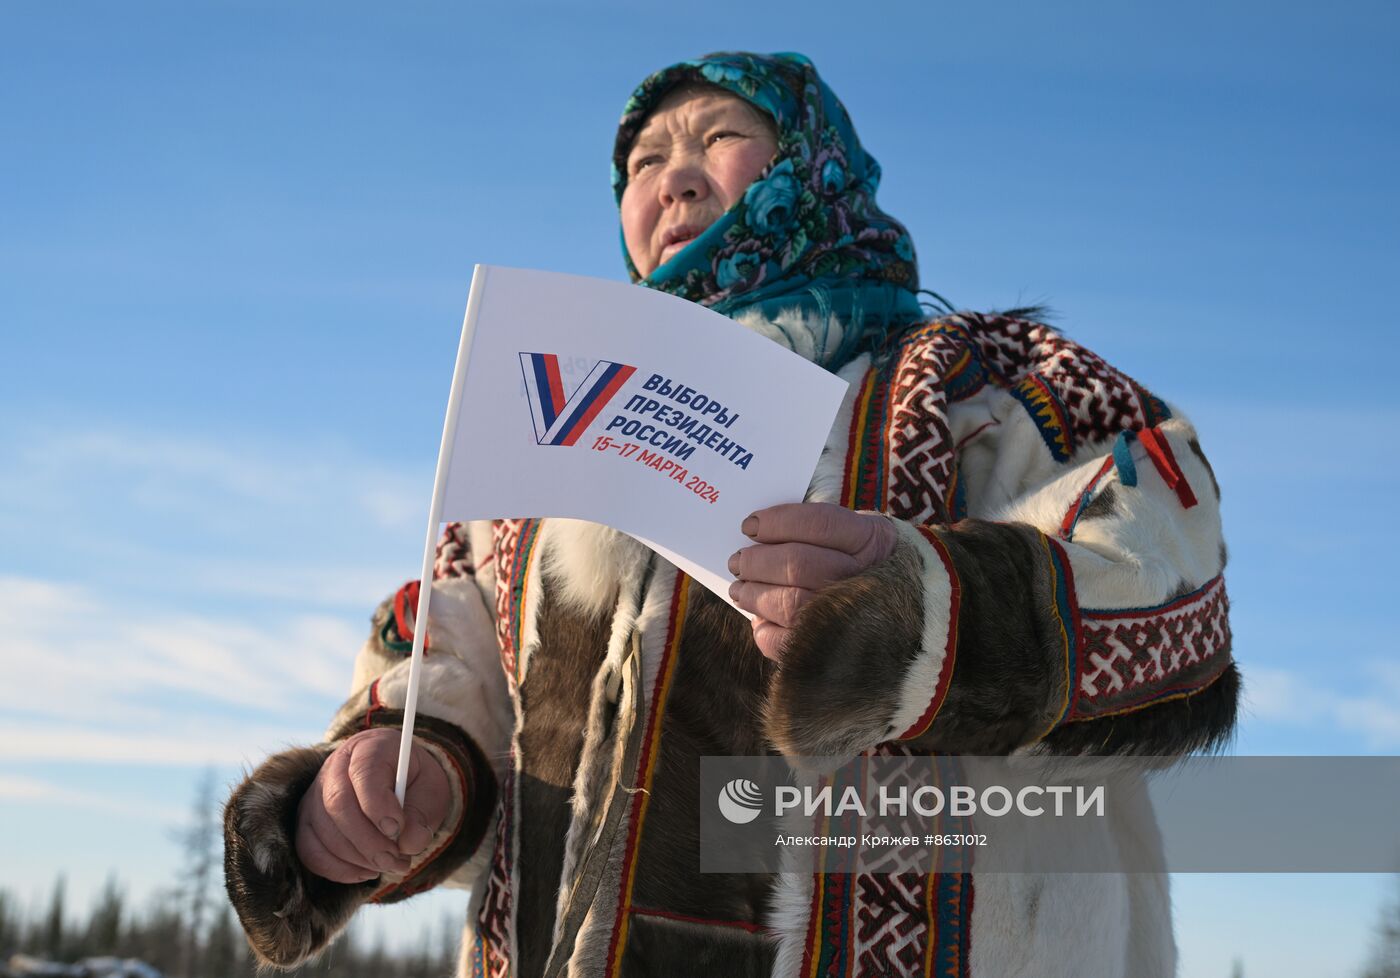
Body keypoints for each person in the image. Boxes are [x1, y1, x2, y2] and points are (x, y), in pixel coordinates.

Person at [222, 51, 1239, 978]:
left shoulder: (980, 389)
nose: (672, 174)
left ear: (812, 163)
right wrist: (390, 783)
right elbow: (455, 657)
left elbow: (1166, 568)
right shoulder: (550, 443)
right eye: (642, 161)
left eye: (718, 137)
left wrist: (918, 615)